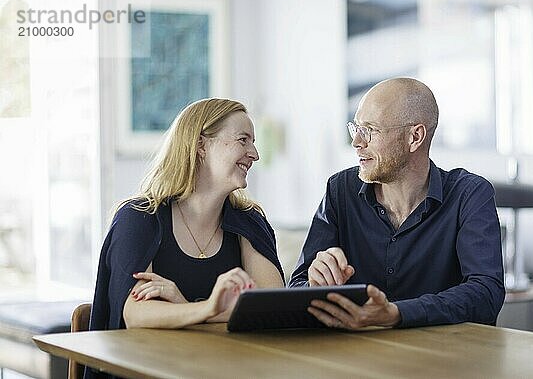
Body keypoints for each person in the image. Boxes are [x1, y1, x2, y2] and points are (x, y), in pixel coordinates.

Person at [289, 77, 505, 329]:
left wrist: (397, 313)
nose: (356, 142)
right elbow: (297, 286)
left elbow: (486, 294)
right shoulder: (339, 191)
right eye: (355, 128)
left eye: (370, 130)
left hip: (443, 359)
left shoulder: (469, 194)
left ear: (415, 137)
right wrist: (315, 284)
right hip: (356, 355)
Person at [89, 98, 284, 334]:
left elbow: (272, 306)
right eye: (243, 140)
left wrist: (185, 305)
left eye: (253, 143)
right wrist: (208, 308)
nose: (254, 154)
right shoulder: (139, 218)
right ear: (201, 145)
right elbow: (137, 314)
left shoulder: (250, 220)